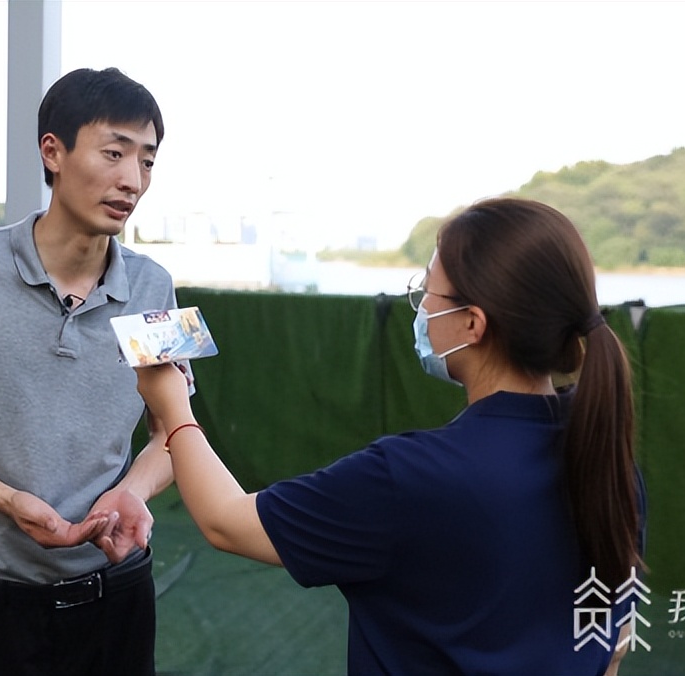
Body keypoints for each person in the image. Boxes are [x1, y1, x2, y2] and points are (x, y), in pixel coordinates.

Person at [135, 197, 646, 676]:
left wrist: (173, 405)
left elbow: (228, 523)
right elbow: (611, 641)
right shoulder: (608, 464)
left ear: (472, 323)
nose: (421, 306)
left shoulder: (410, 477)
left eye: (428, 290)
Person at [0, 67, 179, 675]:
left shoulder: (154, 286)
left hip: (118, 600)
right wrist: (6, 498)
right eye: (114, 153)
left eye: (147, 160)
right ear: (53, 151)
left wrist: (133, 490)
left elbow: (173, 433)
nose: (133, 180)